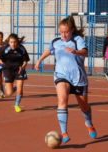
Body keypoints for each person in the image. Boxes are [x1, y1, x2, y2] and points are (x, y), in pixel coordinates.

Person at [35, 15, 97, 144]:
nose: (63, 34)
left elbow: (85, 52)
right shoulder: (56, 41)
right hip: (61, 75)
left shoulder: (77, 40)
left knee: (84, 106)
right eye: (61, 32)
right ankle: (64, 133)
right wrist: (39, 60)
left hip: (78, 77)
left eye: (66, 32)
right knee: (62, 99)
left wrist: (76, 52)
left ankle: (89, 123)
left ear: (72, 30)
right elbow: (48, 51)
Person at [0, 33, 30, 113]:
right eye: (11, 42)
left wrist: (22, 67)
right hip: (7, 70)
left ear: (17, 42)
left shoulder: (21, 49)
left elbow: (25, 61)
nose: (13, 44)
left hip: (19, 70)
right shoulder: (4, 49)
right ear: (9, 42)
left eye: (14, 42)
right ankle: (13, 89)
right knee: (9, 93)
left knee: (20, 88)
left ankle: (17, 105)